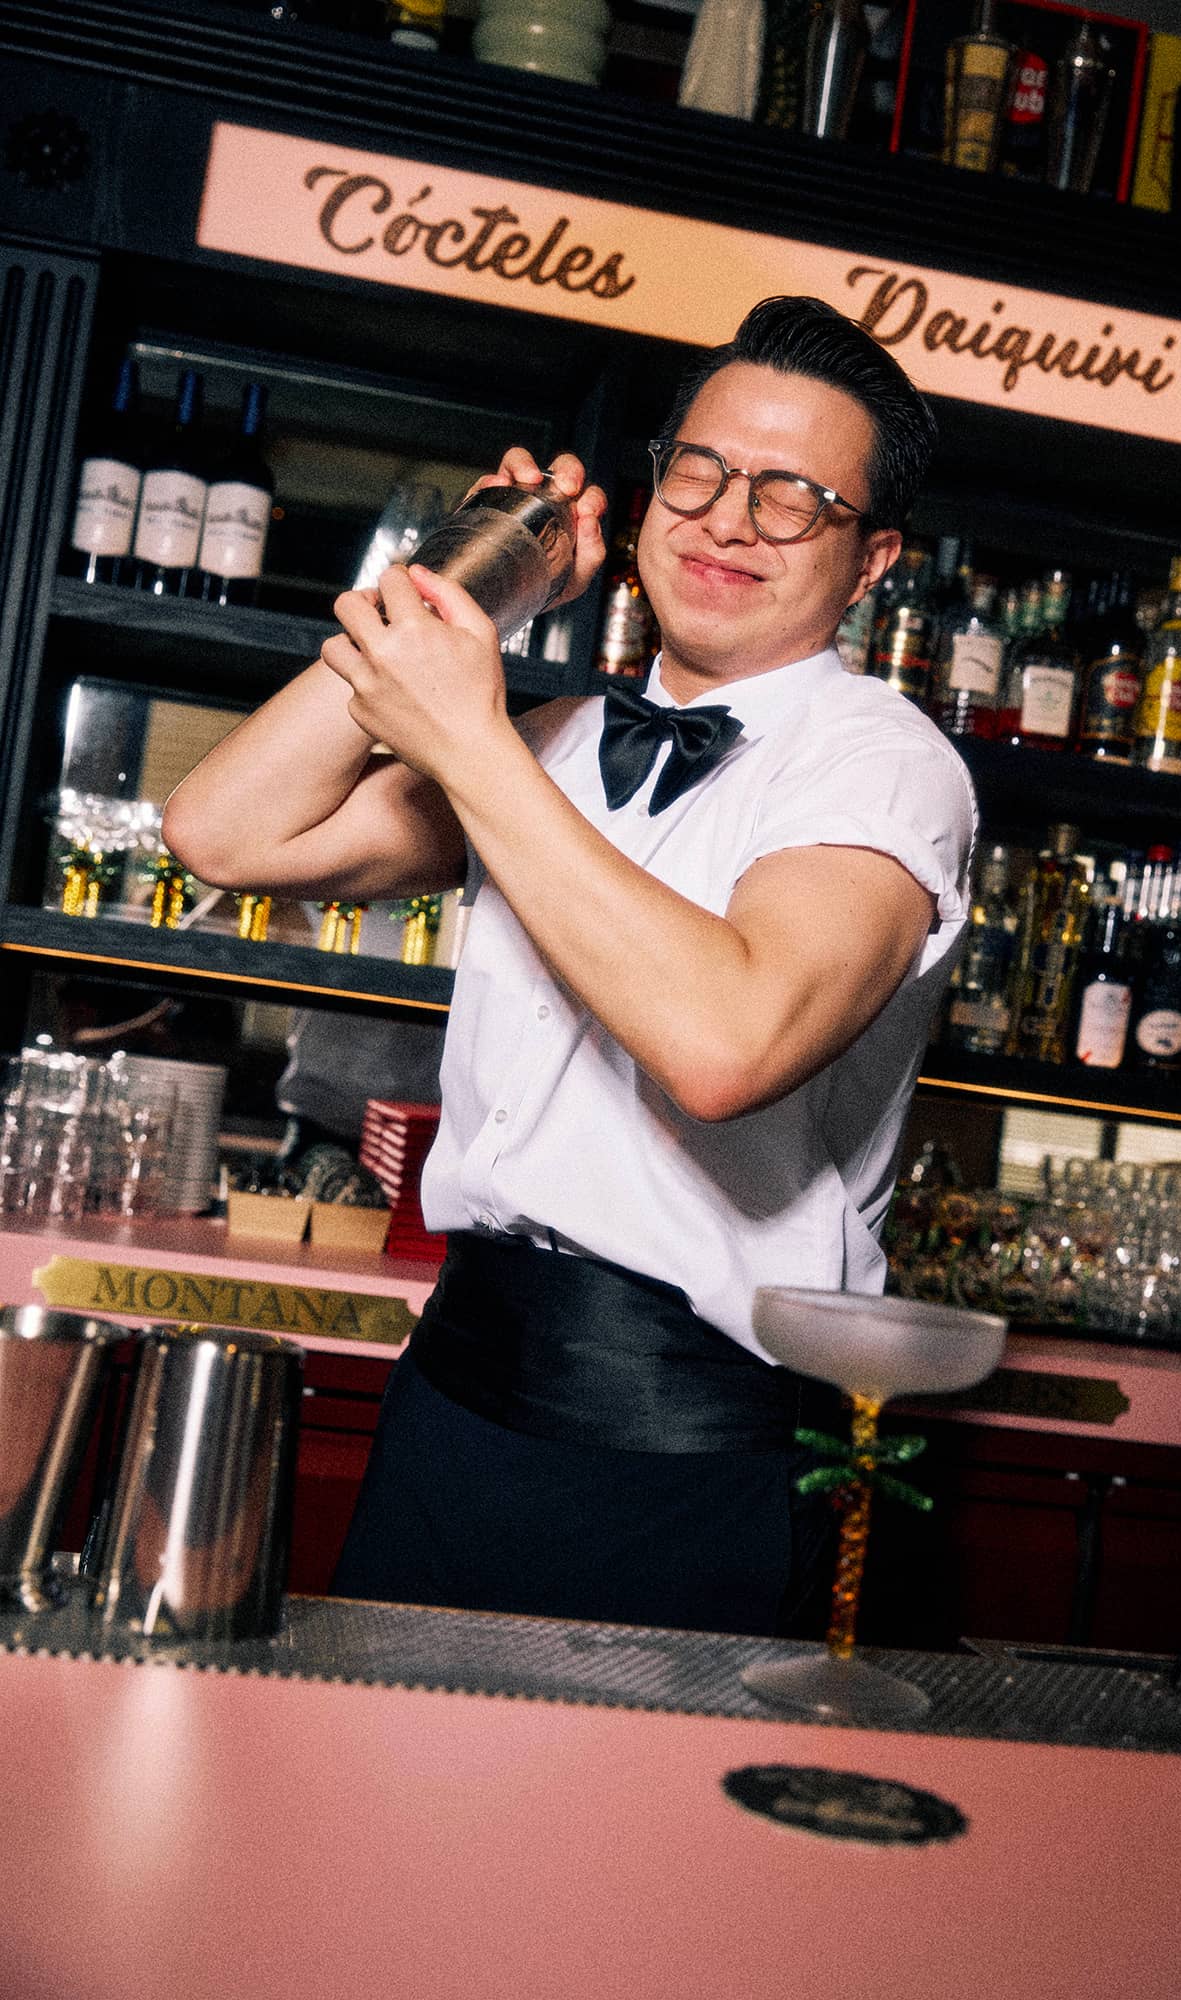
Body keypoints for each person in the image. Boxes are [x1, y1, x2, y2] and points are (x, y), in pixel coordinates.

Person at [162, 296, 976, 1638]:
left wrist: (471, 741)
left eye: (792, 497)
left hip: (686, 1448)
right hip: (453, 1393)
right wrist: (470, 589)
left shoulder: (882, 767)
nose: (728, 521)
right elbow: (225, 831)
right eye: (702, 471)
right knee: (373, 1765)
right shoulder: (556, 736)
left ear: (872, 556)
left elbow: (725, 1047)